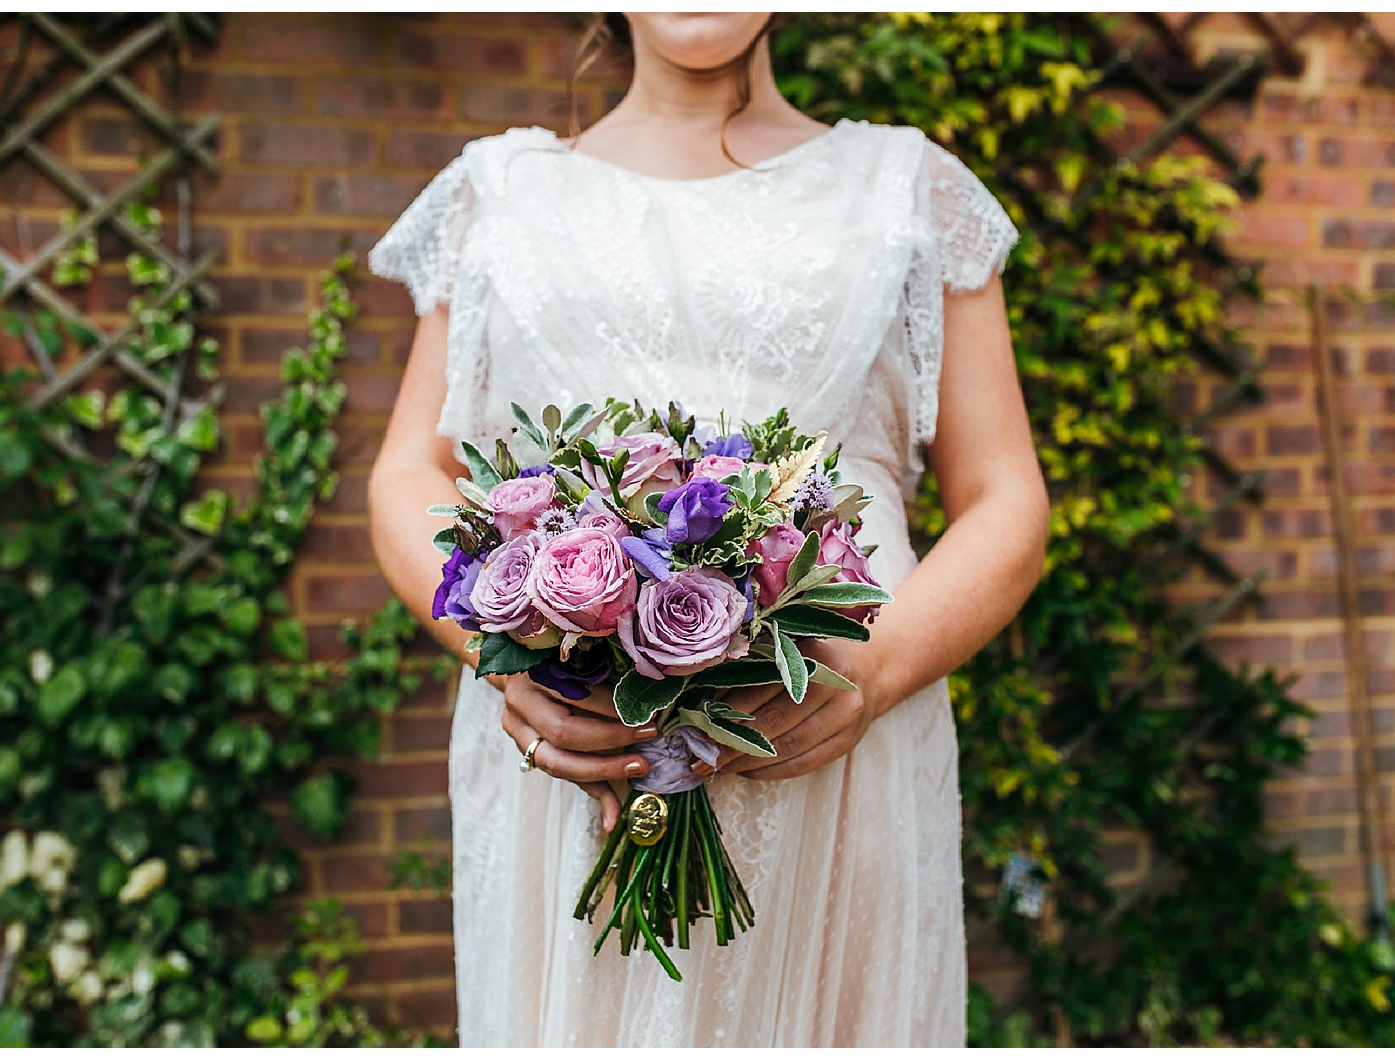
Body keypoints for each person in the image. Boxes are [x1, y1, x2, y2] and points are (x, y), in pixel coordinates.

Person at [366, 12, 1048, 1047]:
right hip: (571, 761)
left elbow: (1007, 497)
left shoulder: (910, 190)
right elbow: (407, 475)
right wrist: (496, 646)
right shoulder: (495, 196)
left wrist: (879, 670)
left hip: (831, 751)